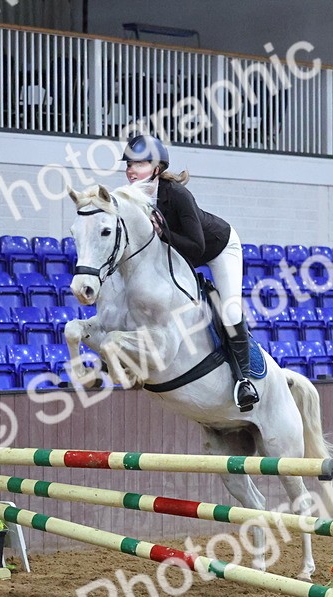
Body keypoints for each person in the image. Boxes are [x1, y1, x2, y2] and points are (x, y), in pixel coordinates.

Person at [122, 134, 259, 411]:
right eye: (128, 164)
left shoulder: (178, 195)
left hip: (218, 247)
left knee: (230, 310)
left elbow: (197, 247)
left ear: (157, 168)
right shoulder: (132, 199)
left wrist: (163, 234)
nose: (131, 170)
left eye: (139, 164)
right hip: (179, 251)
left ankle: (244, 380)